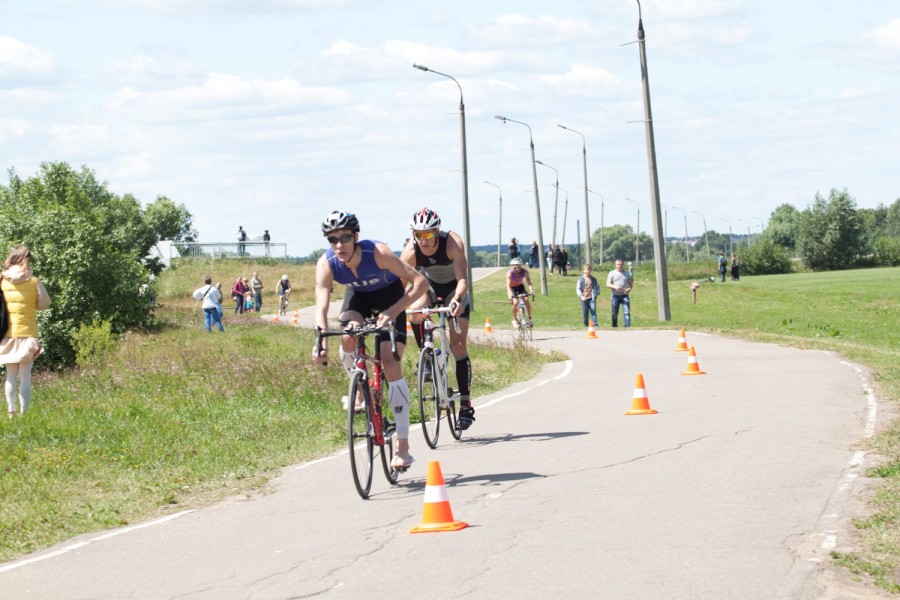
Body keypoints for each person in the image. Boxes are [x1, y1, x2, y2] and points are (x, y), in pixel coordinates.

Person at [312, 210, 428, 471]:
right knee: (347, 335)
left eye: (344, 237)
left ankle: (403, 446)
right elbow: (321, 307)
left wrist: (394, 311)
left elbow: (420, 283)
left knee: (390, 363)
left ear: (355, 236)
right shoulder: (327, 263)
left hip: (391, 297)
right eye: (332, 239)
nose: (339, 245)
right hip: (359, 298)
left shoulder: (377, 252)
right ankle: (360, 388)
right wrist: (320, 341)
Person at [400, 207, 475, 430]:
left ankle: (465, 404)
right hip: (429, 288)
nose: (424, 240)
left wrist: (457, 300)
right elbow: (399, 284)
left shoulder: (452, 243)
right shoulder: (411, 251)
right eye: (419, 235)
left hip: (455, 290)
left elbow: (463, 280)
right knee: (414, 313)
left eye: (429, 235)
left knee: (458, 345)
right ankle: (427, 357)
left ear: (437, 232)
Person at [0, 245, 52, 417]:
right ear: (26, 260)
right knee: (25, 376)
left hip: (7, 334)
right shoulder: (33, 281)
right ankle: (25, 414)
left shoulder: (2, 279)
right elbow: (45, 304)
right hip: (28, 333)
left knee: (10, 376)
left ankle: (11, 412)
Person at [506, 257, 534, 327]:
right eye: (515, 267)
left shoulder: (524, 272)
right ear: (512, 266)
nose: (517, 268)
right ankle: (515, 320)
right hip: (512, 288)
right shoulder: (510, 273)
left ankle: (529, 319)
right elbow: (508, 285)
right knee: (515, 303)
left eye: (519, 266)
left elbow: (529, 283)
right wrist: (510, 294)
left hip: (520, 287)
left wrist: (531, 290)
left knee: (526, 299)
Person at [606, 259, 633, 327]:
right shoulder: (612, 273)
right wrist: (615, 287)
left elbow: (630, 284)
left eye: (621, 264)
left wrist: (629, 289)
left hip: (624, 295)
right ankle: (615, 326)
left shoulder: (627, 274)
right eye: (618, 264)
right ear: (615, 265)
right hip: (615, 295)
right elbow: (608, 284)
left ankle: (627, 327)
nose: (619, 266)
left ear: (623, 265)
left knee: (626, 312)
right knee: (614, 312)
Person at [576, 263, 599, 328]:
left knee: (593, 311)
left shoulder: (593, 279)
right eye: (586, 270)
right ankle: (585, 325)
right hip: (584, 298)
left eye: (589, 270)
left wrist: (596, 294)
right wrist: (581, 296)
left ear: (590, 270)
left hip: (591, 298)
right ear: (584, 270)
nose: (587, 271)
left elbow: (597, 287)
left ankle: (595, 324)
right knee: (585, 313)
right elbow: (578, 288)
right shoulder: (581, 279)